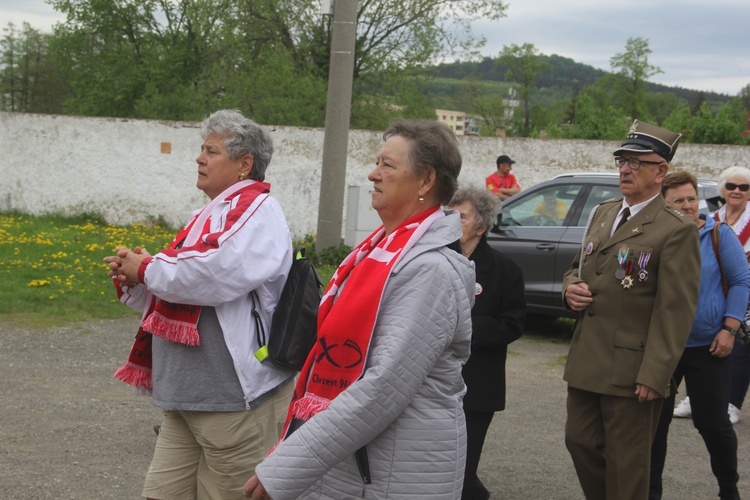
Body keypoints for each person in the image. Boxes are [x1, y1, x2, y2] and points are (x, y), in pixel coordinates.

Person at [243, 119, 475, 500]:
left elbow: (383, 388)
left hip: (394, 475)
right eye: (377, 162)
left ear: (426, 181)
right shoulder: (377, 253)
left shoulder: (429, 271)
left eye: (387, 165)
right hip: (360, 466)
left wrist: (288, 467)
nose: (373, 173)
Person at [104, 109, 295, 499]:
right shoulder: (207, 215)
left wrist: (149, 269)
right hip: (186, 398)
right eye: (201, 149)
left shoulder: (259, 211)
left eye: (211, 151)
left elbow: (215, 274)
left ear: (245, 164)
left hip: (231, 403)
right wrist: (136, 276)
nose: (199, 158)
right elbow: (179, 288)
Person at [562, 120, 701, 500]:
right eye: (623, 160)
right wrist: (569, 289)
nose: (625, 168)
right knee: (580, 442)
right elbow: (577, 267)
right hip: (589, 358)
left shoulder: (674, 229)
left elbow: (676, 310)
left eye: (637, 162)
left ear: (661, 172)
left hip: (632, 368)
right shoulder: (604, 213)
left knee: (627, 465)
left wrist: (655, 373)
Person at [649, 171, 750, 500]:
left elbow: (740, 282)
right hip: (663, 347)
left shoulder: (718, 234)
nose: (688, 205)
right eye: (678, 200)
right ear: (664, 206)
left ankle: (728, 490)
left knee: (713, 424)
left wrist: (729, 328)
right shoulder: (655, 238)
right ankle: (650, 493)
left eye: (692, 198)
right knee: (653, 426)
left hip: (709, 346)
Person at [448, 186, 526, 500]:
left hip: (477, 387)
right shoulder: (435, 259)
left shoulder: (506, 270)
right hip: (433, 384)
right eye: (450, 215)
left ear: (481, 226)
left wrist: (461, 327)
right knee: (438, 466)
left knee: (462, 472)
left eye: (462, 217)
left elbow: (512, 324)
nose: (453, 222)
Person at [674, 166, 750, 425]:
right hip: (717, 292)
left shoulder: (728, 225)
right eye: (731, 186)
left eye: (744, 187)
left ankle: (732, 402)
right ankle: (693, 398)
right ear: (722, 190)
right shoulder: (716, 216)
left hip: (739, 294)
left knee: (740, 348)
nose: (737, 191)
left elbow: (739, 276)